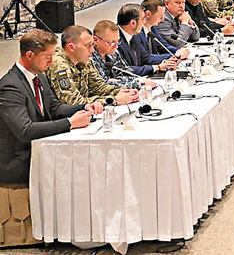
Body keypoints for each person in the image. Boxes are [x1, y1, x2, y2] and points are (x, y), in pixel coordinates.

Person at [0, 29, 100, 185]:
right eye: (48, 57)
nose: (51, 62)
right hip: (18, 165)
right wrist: (70, 123)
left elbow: (54, 108)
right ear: (30, 56)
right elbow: (25, 130)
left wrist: (84, 106)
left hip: (40, 153)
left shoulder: (39, 76)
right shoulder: (10, 87)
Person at [47, 25, 138, 106]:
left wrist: (121, 92)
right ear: (71, 47)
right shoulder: (58, 65)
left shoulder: (84, 60)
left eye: (92, 45)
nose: (92, 50)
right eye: (88, 45)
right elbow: (73, 102)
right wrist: (114, 100)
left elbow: (98, 87)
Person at [117, 3, 180, 76]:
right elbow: (123, 69)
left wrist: (168, 61)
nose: (144, 22)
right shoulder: (115, 40)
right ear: (133, 23)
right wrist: (157, 67)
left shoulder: (134, 36)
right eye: (143, 19)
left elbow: (145, 58)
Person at [91, 20, 150, 90]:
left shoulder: (113, 53)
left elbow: (127, 72)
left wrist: (116, 80)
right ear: (96, 40)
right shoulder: (89, 58)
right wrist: (135, 84)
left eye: (117, 41)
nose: (116, 46)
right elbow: (102, 85)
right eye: (112, 43)